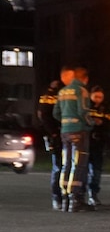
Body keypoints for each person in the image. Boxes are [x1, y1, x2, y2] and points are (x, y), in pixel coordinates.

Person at [52, 65, 94, 212]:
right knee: (79, 165)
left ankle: (65, 199)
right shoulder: (81, 90)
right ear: (85, 78)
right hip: (79, 131)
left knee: (66, 164)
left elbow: (56, 113)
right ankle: (75, 200)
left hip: (65, 132)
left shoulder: (62, 91)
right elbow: (83, 111)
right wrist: (91, 124)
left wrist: (65, 121)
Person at [35, 77, 65, 210]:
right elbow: (44, 116)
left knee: (64, 166)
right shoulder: (50, 95)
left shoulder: (62, 93)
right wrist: (53, 133)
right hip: (56, 135)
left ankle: (63, 197)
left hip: (63, 133)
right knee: (58, 166)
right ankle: (57, 198)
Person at [85, 85, 110, 206]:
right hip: (87, 142)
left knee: (97, 170)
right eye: (96, 96)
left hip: (100, 143)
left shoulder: (106, 108)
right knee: (83, 170)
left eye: (100, 97)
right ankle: (82, 194)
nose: (98, 99)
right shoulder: (86, 107)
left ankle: (93, 194)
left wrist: (102, 123)